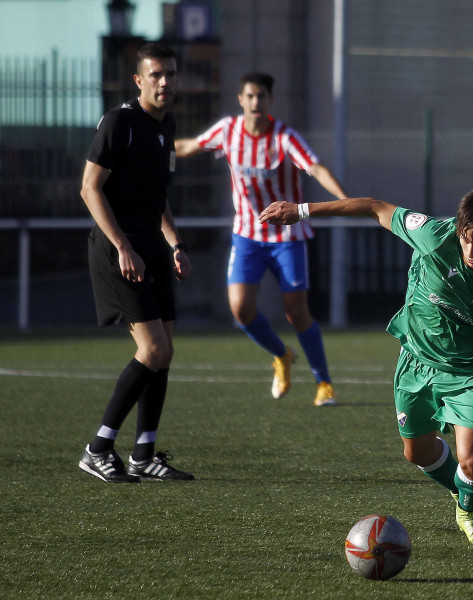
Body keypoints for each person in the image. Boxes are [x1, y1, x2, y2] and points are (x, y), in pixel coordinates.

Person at [258, 187, 473, 544]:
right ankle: (460, 489)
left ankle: (467, 511)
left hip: (469, 373)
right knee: (416, 452)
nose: (470, 252)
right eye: (465, 240)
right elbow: (374, 206)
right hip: (415, 364)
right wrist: (301, 210)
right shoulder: (433, 234)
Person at [175, 72, 347, 405]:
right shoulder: (227, 131)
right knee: (240, 309)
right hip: (247, 237)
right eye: (250, 96)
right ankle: (282, 355)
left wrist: (344, 200)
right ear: (241, 100)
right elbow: (189, 146)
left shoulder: (285, 137)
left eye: (262, 96)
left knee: (296, 313)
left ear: (270, 100)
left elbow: (315, 167)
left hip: (288, 237)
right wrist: (150, 147)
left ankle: (323, 382)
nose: (256, 102)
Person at [78, 42, 194, 483]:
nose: (165, 82)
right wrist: (124, 246)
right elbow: (90, 188)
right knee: (154, 350)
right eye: (157, 74)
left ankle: (145, 454)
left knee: (164, 352)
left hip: (152, 247)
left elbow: (156, 198)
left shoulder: (167, 128)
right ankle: (98, 448)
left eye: (172, 74)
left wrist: (175, 244)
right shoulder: (120, 122)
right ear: (139, 80)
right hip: (117, 249)